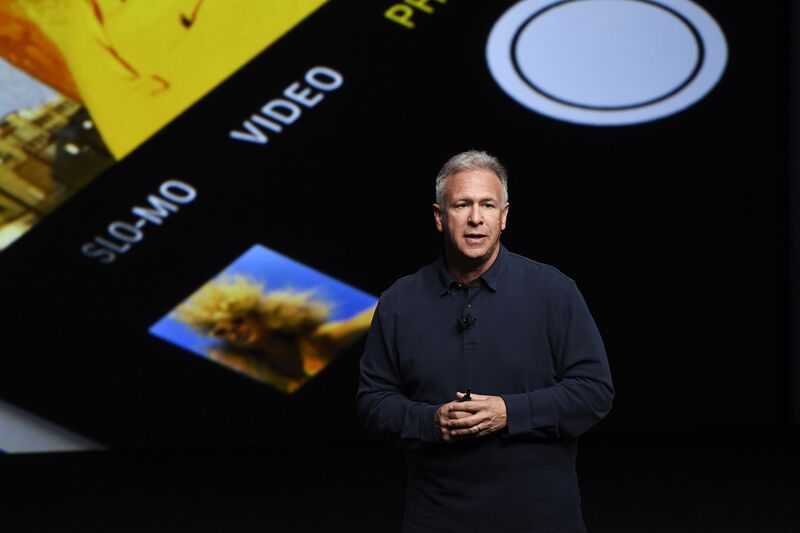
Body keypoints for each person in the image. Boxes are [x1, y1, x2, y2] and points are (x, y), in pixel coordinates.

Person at [356, 150, 614, 532]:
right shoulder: (399, 301)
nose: (476, 218)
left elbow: (594, 392)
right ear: (440, 217)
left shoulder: (554, 291)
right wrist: (430, 422)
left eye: (487, 205)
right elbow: (372, 401)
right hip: (437, 518)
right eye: (462, 205)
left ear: (504, 216)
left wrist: (507, 413)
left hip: (542, 518)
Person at [175, 274, 375, 393]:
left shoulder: (317, 340)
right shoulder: (256, 372)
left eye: (238, 320)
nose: (232, 331)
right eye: (220, 331)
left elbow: (375, 316)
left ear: (259, 316)